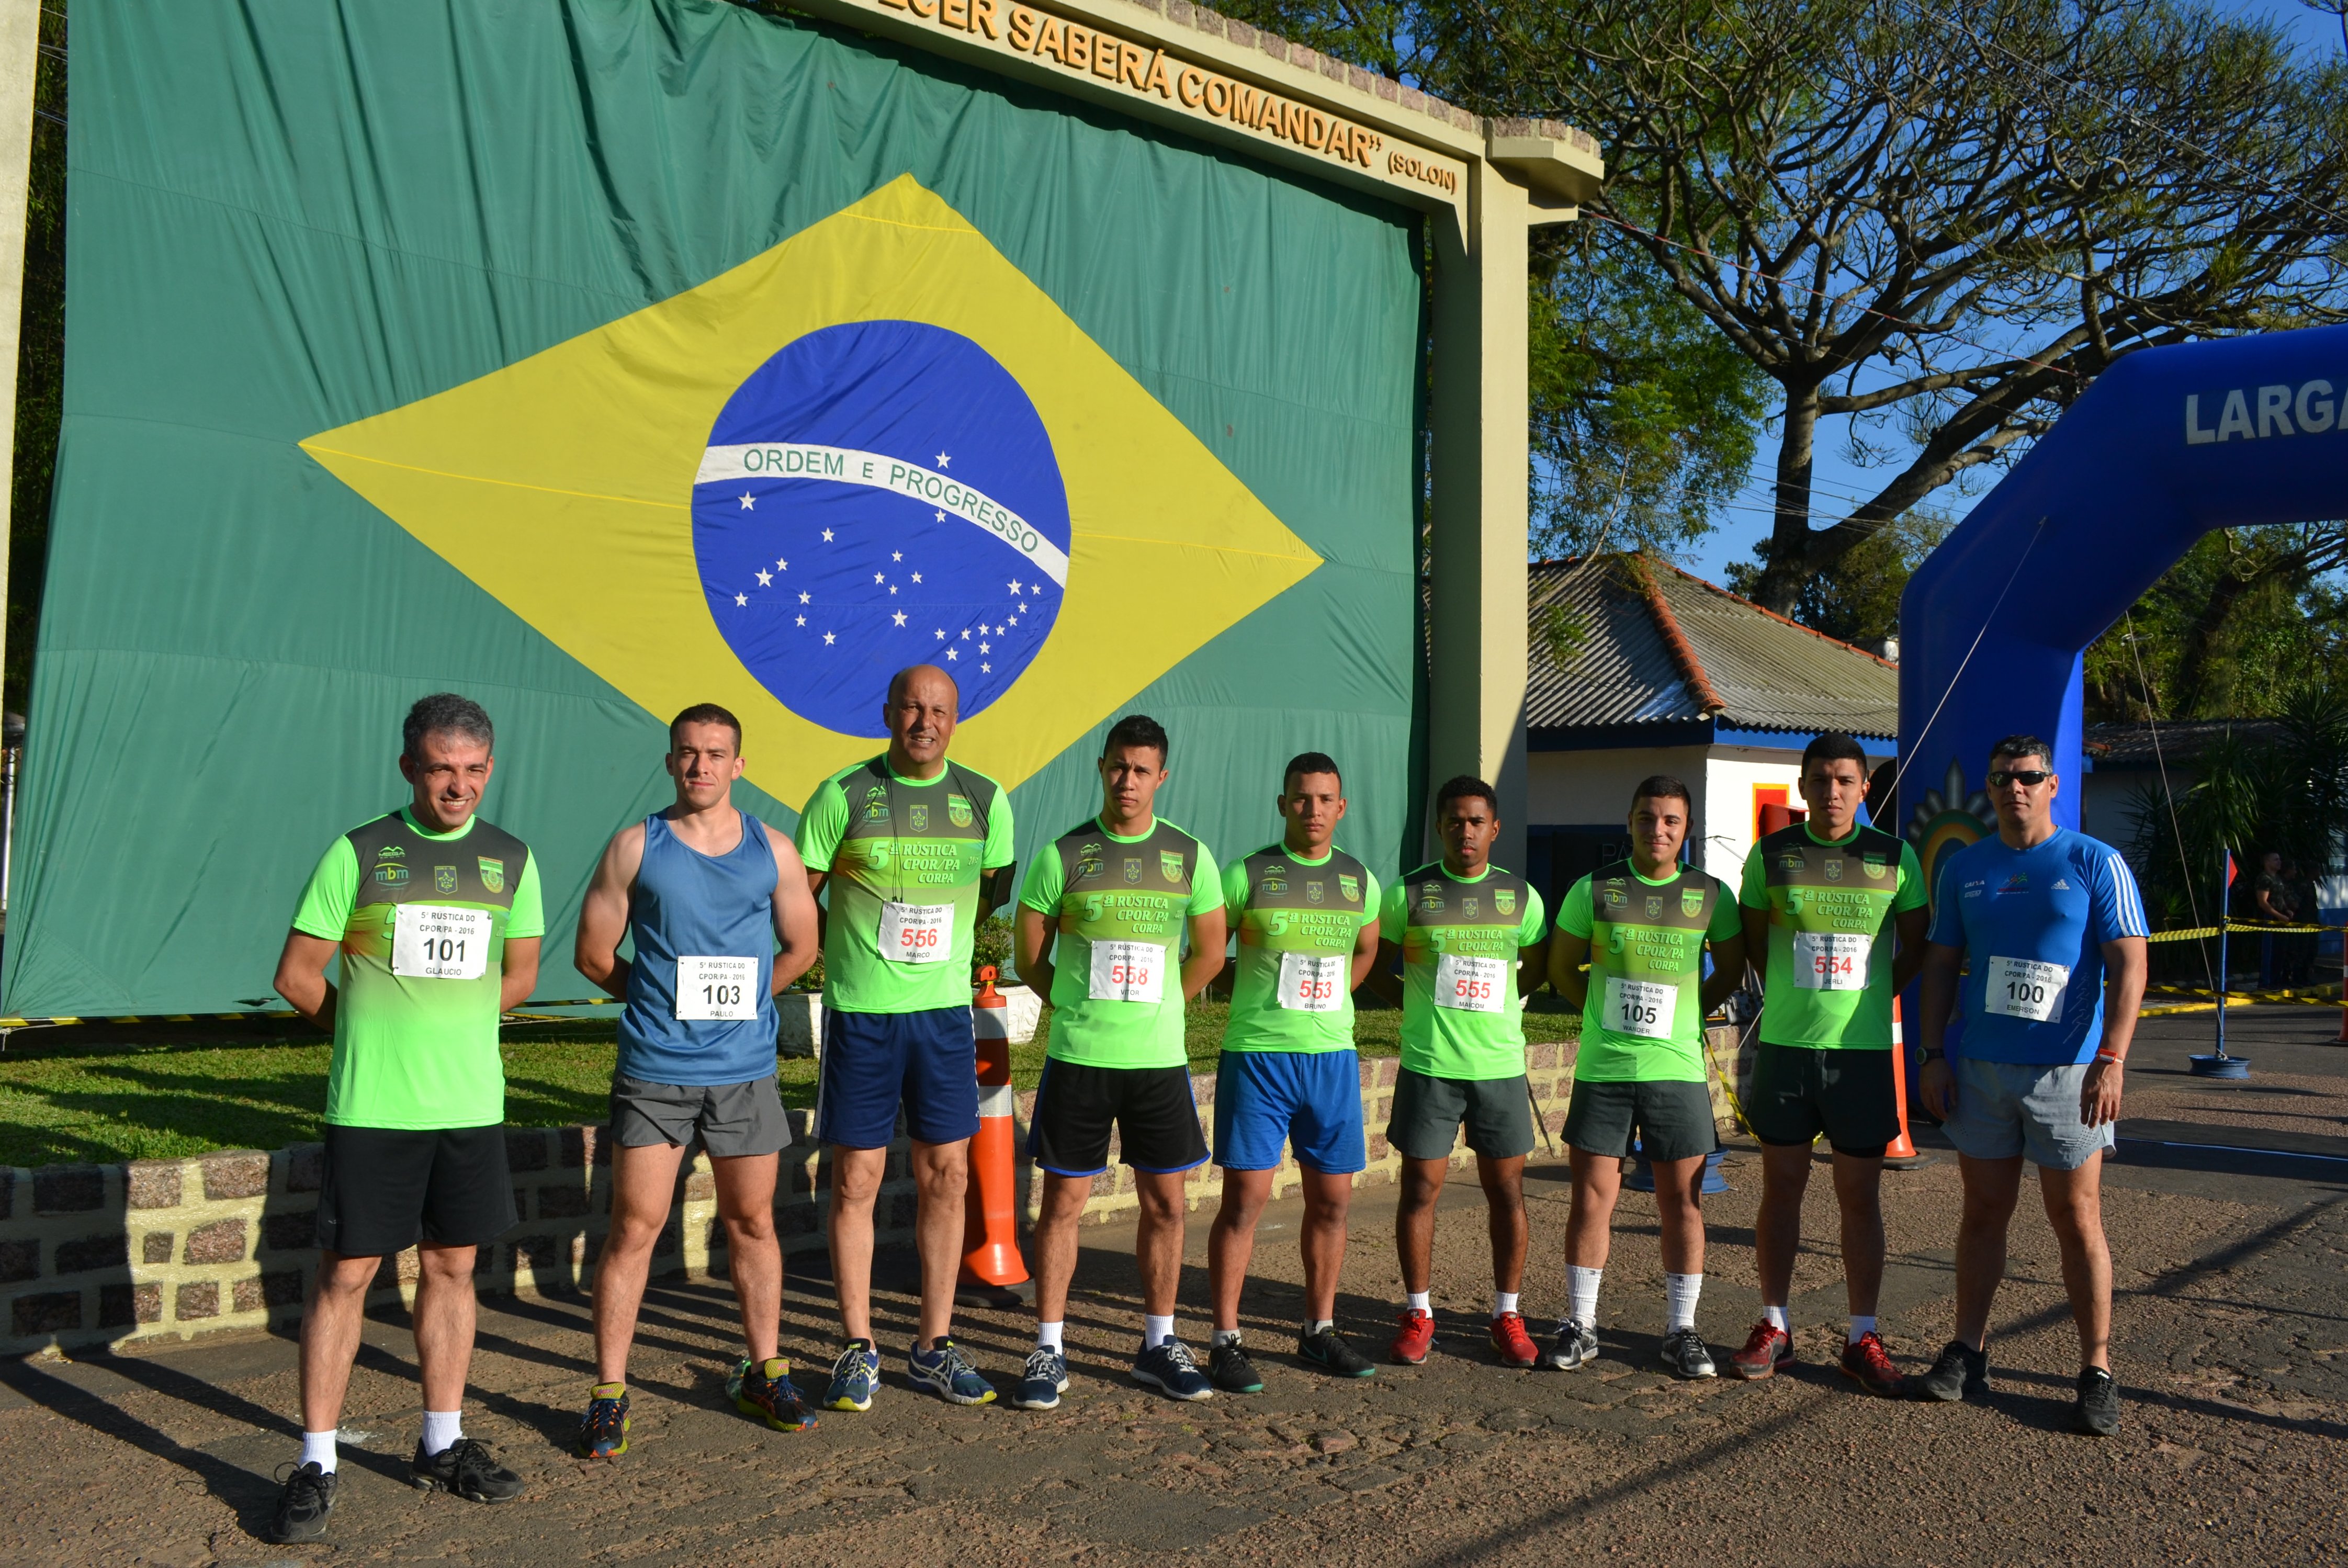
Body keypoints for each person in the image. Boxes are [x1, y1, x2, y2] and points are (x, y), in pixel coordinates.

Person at [266, 695, 543, 1543]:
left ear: (488, 770)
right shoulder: (361, 853)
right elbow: (298, 973)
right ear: (408, 768)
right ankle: (316, 1459)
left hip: (467, 1106)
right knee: (347, 1276)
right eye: (438, 769)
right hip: (375, 1106)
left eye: (470, 770)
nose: (455, 786)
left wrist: (450, 1027)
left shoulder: (511, 860)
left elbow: (520, 974)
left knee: (453, 1269)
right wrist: (364, 1030)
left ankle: (442, 1440)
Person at [573, 705, 822, 1452]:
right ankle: (610, 1392)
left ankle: (764, 1369)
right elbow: (594, 955)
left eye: (717, 754)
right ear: (670, 760)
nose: (701, 766)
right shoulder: (634, 847)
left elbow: (802, 946)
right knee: (635, 1228)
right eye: (688, 753)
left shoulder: (772, 849)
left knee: (752, 1223)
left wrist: (745, 1002)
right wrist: (657, 1003)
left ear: (739, 765)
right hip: (656, 1070)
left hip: (745, 1072)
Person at [796, 665, 1017, 1411]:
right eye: (913, 707)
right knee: (855, 1180)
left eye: (940, 710)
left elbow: (990, 893)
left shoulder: (986, 801)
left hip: (943, 1018)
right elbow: (801, 901)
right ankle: (859, 1346)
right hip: (863, 1015)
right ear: (888, 712)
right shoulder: (842, 795)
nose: (926, 720)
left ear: (957, 719)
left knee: (947, 1176)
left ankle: (934, 1344)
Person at [1917, 734, 2149, 1437]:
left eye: (2027, 777)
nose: (2013, 789)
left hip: (2070, 1073)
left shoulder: (2093, 862)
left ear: (2053, 785)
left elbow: (2130, 966)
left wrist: (2113, 1056)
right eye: (2001, 779)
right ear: (1988, 790)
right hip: (1985, 1070)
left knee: (2075, 1218)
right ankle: (1969, 1351)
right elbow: (1940, 966)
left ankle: (2096, 1369)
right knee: (1983, 1212)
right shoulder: (1966, 868)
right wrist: (1932, 1053)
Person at [1010, 714, 1226, 1408]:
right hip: (1081, 1058)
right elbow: (1029, 954)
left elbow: (1211, 953)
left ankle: (1158, 1343)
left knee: (1166, 1203)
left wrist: (1163, 1004)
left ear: (1161, 777)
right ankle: (1049, 1348)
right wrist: (1074, 1006)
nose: (1127, 781)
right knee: (1064, 1205)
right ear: (1101, 768)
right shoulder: (1065, 854)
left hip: (1158, 1062)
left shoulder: (1190, 856)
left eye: (1141, 770)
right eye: (1117, 767)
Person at [1727, 734, 1929, 1395]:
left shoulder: (1894, 857)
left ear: (1864, 788)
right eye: (1820, 780)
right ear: (1803, 785)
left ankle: (1860, 1334)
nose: (1833, 791)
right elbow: (1756, 945)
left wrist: (1873, 994)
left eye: (1845, 780)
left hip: (1862, 1054)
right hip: (1787, 1050)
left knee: (1859, 1198)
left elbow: (1917, 944)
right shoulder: (1772, 855)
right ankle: (1774, 1324)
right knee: (1780, 1190)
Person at [1545, 776, 1745, 1379]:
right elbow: (1561, 969)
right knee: (1591, 1198)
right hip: (1605, 1069)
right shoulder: (1594, 889)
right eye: (1646, 818)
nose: (1657, 830)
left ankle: (1681, 1330)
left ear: (1686, 830)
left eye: (1671, 821)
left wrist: (1686, 1015)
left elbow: (1730, 972)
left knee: (1681, 1203)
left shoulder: (1711, 894)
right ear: (1628, 823)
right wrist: (1603, 1016)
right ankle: (1582, 1324)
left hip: (1677, 1071)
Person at [1203, 752, 1384, 1392]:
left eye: (1325, 799)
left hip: (1331, 1059)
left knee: (1332, 1202)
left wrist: (1335, 1006)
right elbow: (1206, 947)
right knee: (1245, 1202)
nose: (1313, 810)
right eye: (1301, 799)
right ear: (1283, 805)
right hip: (1258, 1057)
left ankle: (1318, 1330)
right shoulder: (1246, 874)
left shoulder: (1360, 881)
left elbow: (1366, 950)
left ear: (1342, 808)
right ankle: (1225, 1341)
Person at [1366, 776, 1549, 1369]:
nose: (1465, 831)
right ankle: (1419, 1312)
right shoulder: (1408, 894)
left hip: (1497, 1066)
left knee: (1506, 1192)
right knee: (1420, 1190)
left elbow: (1538, 968)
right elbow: (1372, 962)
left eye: (1477, 822)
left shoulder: (1520, 899)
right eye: (1454, 821)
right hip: (1430, 1066)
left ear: (1494, 829)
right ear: (1440, 827)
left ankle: (1507, 1313)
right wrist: (1409, 1003)